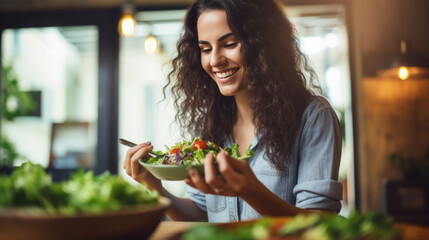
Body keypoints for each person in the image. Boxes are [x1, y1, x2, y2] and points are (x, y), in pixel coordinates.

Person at [123, 0, 342, 223]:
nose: (215, 60)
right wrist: (155, 187)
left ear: (263, 44)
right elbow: (202, 212)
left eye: (229, 44)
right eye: (205, 49)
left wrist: (252, 192)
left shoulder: (313, 117)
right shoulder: (210, 124)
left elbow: (321, 222)